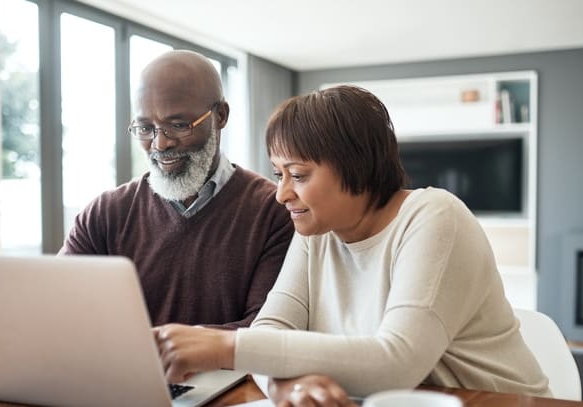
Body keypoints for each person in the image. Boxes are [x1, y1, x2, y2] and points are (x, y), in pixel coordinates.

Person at [152, 85, 552, 405]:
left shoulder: (434, 216)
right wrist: (285, 389)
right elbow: (271, 331)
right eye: (278, 174)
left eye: (299, 175)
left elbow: (396, 362)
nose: (282, 194)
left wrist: (224, 346)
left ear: (356, 164)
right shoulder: (316, 232)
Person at [59, 50, 294, 329]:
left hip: (230, 374)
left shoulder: (274, 212)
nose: (160, 144)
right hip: (118, 371)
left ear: (220, 116)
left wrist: (154, 346)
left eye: (178, 125)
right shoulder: (104, 214)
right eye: (145, 128)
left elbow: (265, 330)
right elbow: (60, 308)